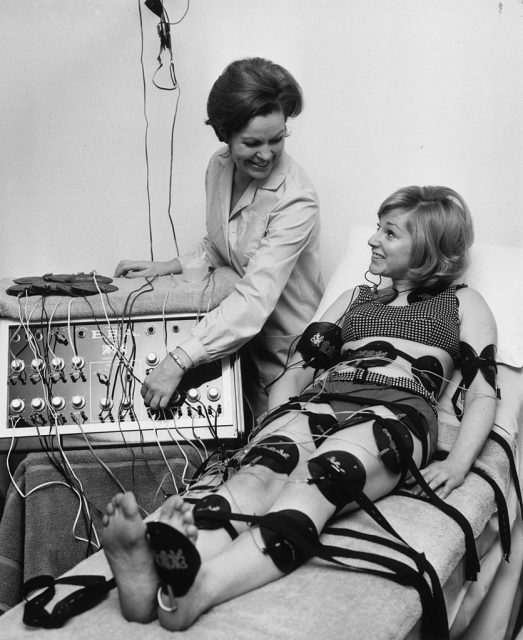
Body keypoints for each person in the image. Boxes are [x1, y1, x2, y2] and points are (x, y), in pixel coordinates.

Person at [101, 185, 498, 631]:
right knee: (262, 470)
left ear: (426, 250)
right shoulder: (354, 299)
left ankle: (201, 587)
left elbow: (483, 391)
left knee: (322, 477)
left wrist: (460, 462)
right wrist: (273, 425)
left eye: (389, 233)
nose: (372, 240)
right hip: (321, 399)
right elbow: (295, 371)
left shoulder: (463, 303)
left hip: (397, 410)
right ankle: (148, 579)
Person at [114, 57, 323, 418]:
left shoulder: (296, 199)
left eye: (277, 139)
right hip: (233, 343)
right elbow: (221, 241)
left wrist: (180, 358)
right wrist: (169, 265)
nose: (266, 154)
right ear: (224, 134)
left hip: (286, 354)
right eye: (252, 143)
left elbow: (256, 298)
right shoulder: (219, 165)